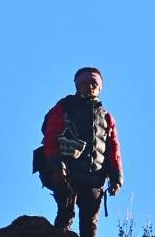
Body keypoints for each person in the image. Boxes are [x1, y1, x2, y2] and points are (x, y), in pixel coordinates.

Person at [39, 68, 123, 237]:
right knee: (65, 214)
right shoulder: (65, 107)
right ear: (77, 86)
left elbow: (113, 149)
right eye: (85, 83)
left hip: (94, 179)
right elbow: (51, 137)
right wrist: (57, 167)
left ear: (100, 88)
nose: (90, 86)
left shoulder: (106, 117)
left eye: (94, 83)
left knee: (90, 224)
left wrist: (116, 177)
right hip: (67, 174)